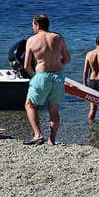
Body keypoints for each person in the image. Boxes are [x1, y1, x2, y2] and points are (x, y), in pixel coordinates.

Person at [23, 14, 71, 146]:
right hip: (58, 75)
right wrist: (57, 64)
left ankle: (38, 134)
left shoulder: (32, 40)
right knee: (54, 109)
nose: (33, 27)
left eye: (33, 25)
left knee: (30, 104)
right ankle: (52, 140)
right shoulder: (58, 37)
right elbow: (67, 59)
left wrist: (34, 76)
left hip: (42, 75)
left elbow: (26, 65)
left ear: (37, 25)